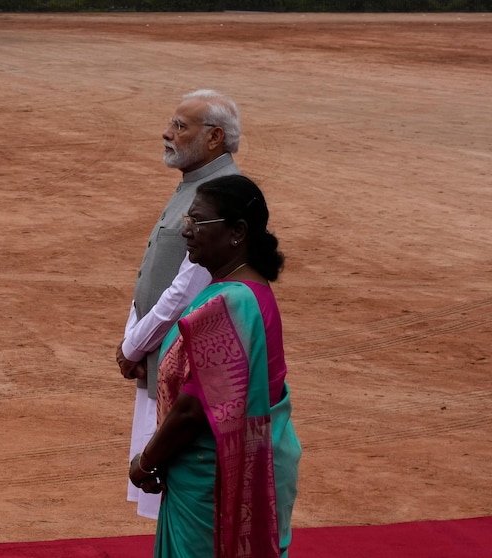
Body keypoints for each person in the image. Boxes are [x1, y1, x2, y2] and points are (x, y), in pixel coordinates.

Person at [127, 174, 302, 558]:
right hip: (240, 461)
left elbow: (193, 410)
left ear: (236, 232)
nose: (186, 231)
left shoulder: (230, 302)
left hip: (213, 475)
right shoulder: (247, 288)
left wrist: (146, 461)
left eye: (197, 222)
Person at [117, 89, 244, 519]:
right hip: (159, 355)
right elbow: (153, 273)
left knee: (179, 494)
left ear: (213, 138)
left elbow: (185, 289)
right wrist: (133, 340)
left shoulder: (219, 195)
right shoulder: (194, 185)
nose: (166, 133)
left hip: (185, 365)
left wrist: (134, 346)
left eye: (179, 126)